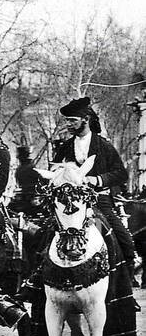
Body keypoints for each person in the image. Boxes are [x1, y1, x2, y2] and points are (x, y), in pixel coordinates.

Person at [48, 96, 136, 267]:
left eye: (72, 120)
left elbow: (121, 174)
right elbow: (54, 170)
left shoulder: (104, 146)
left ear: (86, 120)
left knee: (123, 240)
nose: (68, 124)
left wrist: (97, 179)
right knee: (43, 236)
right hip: (70, 203)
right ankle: (36, 283)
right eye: (67, 120)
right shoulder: (65, 147)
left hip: (99, 201)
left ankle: (124, 280)